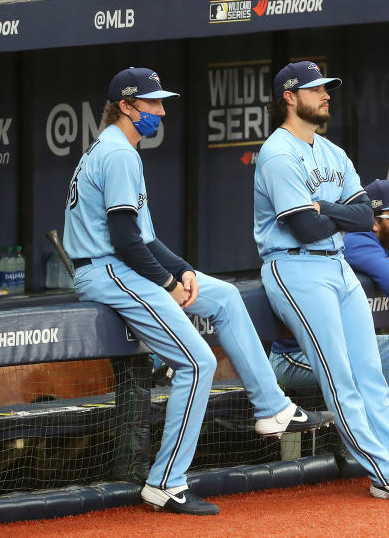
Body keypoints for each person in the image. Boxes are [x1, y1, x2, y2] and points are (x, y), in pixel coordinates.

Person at [63, 67, 332, 515]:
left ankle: (272, 409)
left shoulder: (119, 148)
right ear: (126, 107)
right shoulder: (117, 153)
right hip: (106, 271)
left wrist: (184, 271)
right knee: (196, 362)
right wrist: (167, 284)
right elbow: (126, 240)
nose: (161, 111)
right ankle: (166, 482)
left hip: (122, 264)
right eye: (151, 104)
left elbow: (144, 239)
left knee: (224, 296)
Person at [254, 61, 389, 500]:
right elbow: (302, 230)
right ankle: (384, 472)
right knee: (341, 375)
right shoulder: (277, 153)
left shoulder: (332, 152)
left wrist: (322, 207)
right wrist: (333, 214)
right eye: (316, 89)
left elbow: (367, 217)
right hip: (295, 266)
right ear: (289, 97)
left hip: (337, 265)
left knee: (368, 371)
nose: (327, 95)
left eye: (327, 88)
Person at [268, 179, 389, 444]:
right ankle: (379, 456)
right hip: (297, 354)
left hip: (344, 346)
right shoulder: (356, 240)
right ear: (374, 222)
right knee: (377, 364)